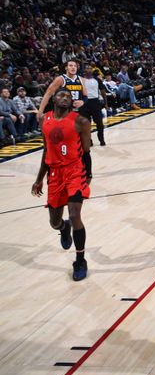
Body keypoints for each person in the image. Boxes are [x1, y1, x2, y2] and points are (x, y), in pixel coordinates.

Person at [31, 89, 92, 281]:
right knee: (54, 222)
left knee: (75, 214)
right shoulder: (44, 120)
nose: (65, 98)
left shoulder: (81, 121)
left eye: (68, 96)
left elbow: (87, 152)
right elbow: (46, 149)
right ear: (53, 100)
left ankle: (80, 260)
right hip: (54, 173)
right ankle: (63, 229)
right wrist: (39, 178)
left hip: (75, 170)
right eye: (61, 95)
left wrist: (88, 175)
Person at [79, 65, 108, 146]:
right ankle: (89, 140)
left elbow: (103, 92)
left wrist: (106, 103)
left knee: (99, 123)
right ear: (84, 70)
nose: (89, 69)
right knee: (86, 124)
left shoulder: (97, 80)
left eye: (90, 68)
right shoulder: (80, 80)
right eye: (87, 68)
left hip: (95, 102)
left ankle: (101, 139)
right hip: (84, 103)